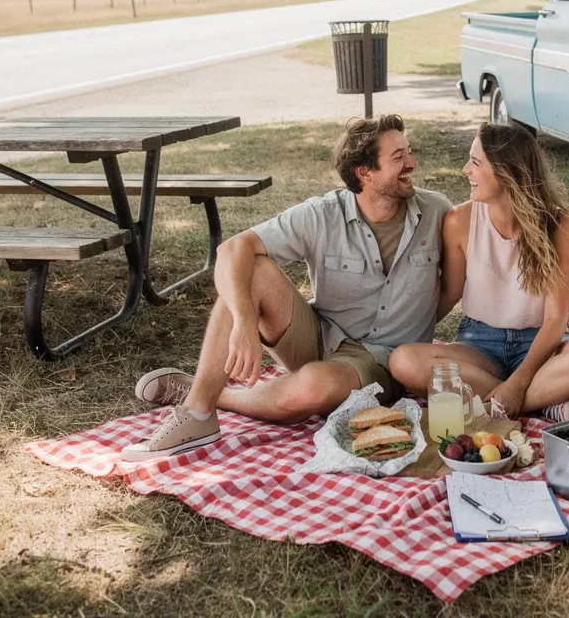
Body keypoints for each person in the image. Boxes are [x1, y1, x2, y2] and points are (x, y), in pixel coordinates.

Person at [122, 114, 451, 459]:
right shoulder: (323, 214)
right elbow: (232, 249)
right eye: (398, 157)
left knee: (312, 387)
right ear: (364, 173)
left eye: (408, 152)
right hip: (322, 336)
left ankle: (210, 393)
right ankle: (198, 415)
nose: (412, 163)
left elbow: (457, 279)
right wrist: (245, 322)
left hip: (384, 362)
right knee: (251, 269)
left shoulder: (436, 211)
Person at [389, 122, 569, 420]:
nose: (465, 170)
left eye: (475, 162)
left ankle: (499, 403)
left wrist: (518, 382)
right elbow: (449, 292)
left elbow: (554, 321)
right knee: (403, 361)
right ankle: (543, 401)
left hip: (541, 344)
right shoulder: (460, 221)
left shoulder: (560, 226)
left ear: (505, 171)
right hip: (479, 344)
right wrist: (395, 330)